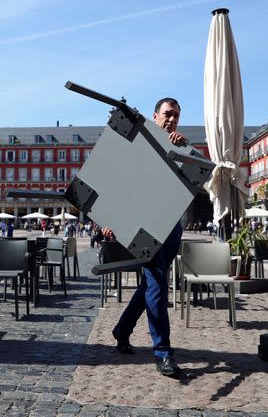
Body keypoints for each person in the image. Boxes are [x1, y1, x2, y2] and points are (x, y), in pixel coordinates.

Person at [107, 96, 187, 378]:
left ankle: (122, 329)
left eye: (176, 115)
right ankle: (163, 351)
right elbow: (120, 181)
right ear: (155, 117)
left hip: (172, 226)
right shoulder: (140, 144)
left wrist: (181, 153)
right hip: (145, 226)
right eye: (167, 114)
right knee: (157, 283)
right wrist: (110, 219)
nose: (172, 119)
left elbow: (191, 183)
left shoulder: (182, 147)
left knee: (150, 285)